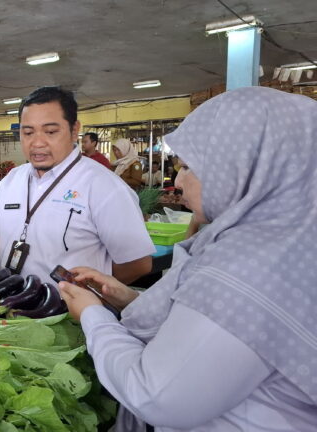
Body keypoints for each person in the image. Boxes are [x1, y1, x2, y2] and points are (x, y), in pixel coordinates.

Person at [58, 87, 317, 431]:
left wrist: (93, 316)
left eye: (192, 166)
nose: (178, 180)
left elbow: (157, 395)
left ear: (248, 165)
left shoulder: (252, 266)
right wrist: (130, 298)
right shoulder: (291, 243)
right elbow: (216, 331)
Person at [0, 86, 154, 284]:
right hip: (6, 310)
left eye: (50, 132)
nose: (37, 142)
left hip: (71, 317)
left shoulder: (104, 186)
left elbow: (138, 264)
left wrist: (88, 295)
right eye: (28, 133)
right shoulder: (11, 181)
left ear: (74, 131)